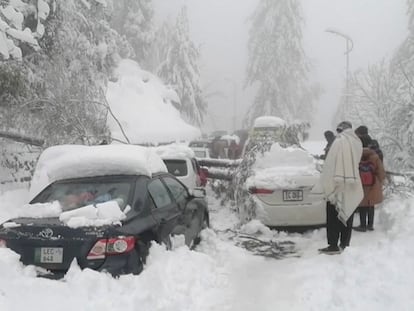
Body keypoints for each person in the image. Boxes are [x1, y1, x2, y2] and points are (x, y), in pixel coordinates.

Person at [313, 121, 364, 254]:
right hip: (352, 183)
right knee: (348, 212)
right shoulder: (357, 141)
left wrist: (328, 181)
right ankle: (345, 244)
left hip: (337, 183)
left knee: (333, 214)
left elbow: (331, 164)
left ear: (341, 130)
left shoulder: (340, 141)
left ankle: (333, 245)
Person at [354, 135, 386, 232]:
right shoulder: (375, 156)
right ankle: (370, 225)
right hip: (373, 183)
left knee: (362, 205)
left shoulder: (357, 156)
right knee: (371, 204)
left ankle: (362, 225)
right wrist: (380, 181)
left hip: (360, 184)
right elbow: (381, 171)